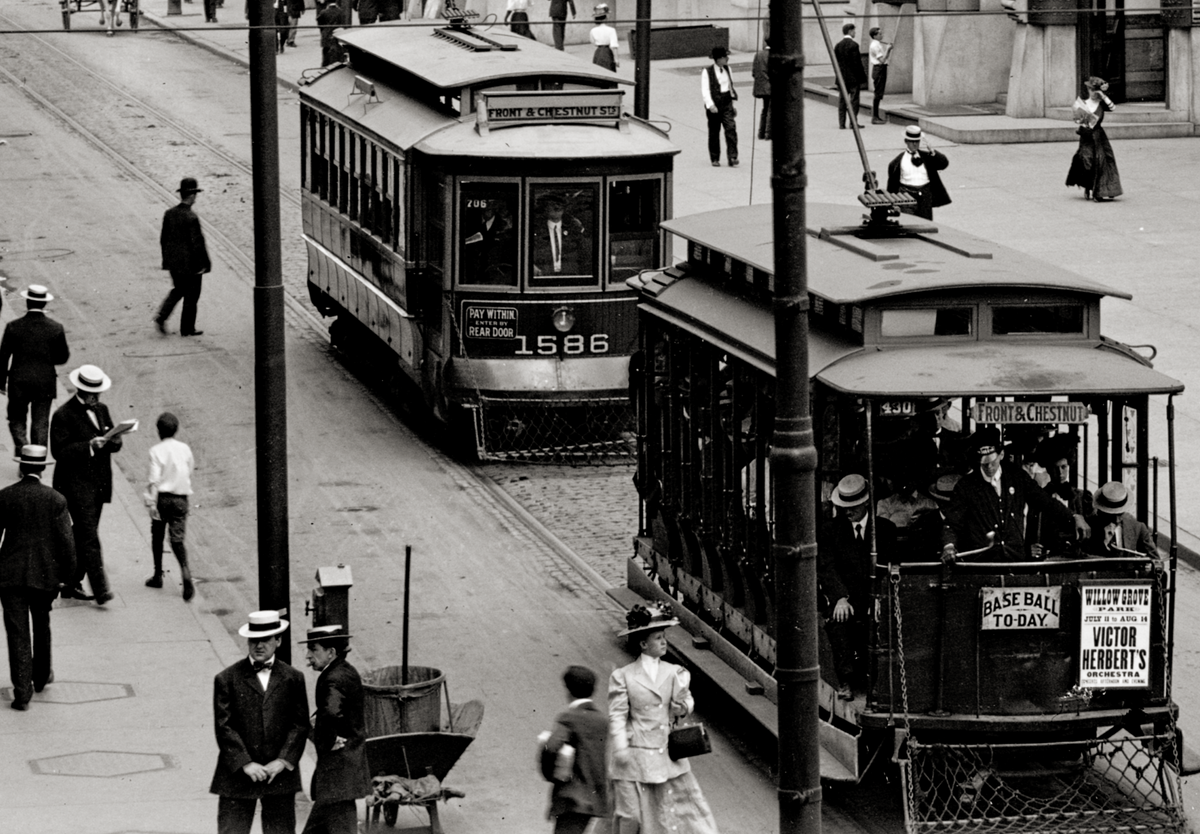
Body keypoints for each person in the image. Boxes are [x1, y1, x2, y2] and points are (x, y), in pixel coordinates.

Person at [609, 602, 719, 834]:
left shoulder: (674, 673)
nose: (663, 642)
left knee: (682, 814)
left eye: (664, 636)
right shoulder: (624, 676)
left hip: (667, 756)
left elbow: (687, 701)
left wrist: (683, 708)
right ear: (643, 644)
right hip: (636, 756)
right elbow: (617, 715)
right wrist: (620, 747)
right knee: (632, 817)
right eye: (658, 637)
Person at [211, 611, 311, 834]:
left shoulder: (293, 678)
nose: (259, 646)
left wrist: (284, 760)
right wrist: (245, 763)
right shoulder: (227, 678)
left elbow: (300, 724)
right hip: (237, 775)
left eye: (265, 640)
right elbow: (224, 726)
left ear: (278, 640)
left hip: (279, 776)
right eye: (254, 640)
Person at [941, 427, 1089, 563]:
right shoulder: (965, 486)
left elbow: (1045, 502)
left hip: (1015, 561)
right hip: (982, 564)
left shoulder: (1017, 477)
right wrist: (949, 546)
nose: (989, 467)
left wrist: (1073, 517)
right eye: (984, 463)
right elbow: (952, 523)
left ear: (1001, 454)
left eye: (992, 461)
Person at [0, 445, 75, 711]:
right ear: (43, 468)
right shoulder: (56, 499)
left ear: (21, 467)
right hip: (45, 574)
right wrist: (68, 576)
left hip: (10, 574)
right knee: (41, 625)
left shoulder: (5, 496)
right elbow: (67, 542)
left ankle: (22, 692)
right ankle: (41, 676)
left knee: (17, 632)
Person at [818, 474, 897, 699]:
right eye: (844, 507)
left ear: (865, 504)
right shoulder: (831, 530)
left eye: (852, 506)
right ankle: (846, 680)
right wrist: (840, 598)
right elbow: (827, 567)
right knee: (839, 621)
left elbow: (890, 567)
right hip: (848, 598)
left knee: (883, 623)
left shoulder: (885, 530)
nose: (847, 511)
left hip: (875, 597)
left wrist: (881, 598)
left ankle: (878, 682)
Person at [50, 365, 123, 606]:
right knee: (89, 536)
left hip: (99, 484)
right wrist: (90, 446)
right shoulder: (63, 415)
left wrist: (115, 440)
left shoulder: (102, 409)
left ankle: (69, 582)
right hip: (75, 486)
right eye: (94, 394)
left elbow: (112, 439)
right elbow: (60, 451)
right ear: (83, 391)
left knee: (82, 535)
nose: (97, 398)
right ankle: (101, 590)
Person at [300, 624, 372, 834]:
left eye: (314, 650)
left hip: (339, 771)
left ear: (331, 652)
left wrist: (327, 740)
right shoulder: (344, 671)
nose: (308, 656)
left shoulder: (333, 678)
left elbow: (331, 712)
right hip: (343, 771)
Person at [0, 284, 70, 452]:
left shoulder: (13, 327)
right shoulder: (55, 328)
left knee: (17, 419)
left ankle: (23, 449)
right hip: (44, 381)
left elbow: (3, 357)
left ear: (27, 302)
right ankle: (36, 460)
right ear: (44, 304)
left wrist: (1, 383)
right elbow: (62, 358)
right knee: (40, 422)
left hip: (19, 381)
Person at [541, 665, 609, 834]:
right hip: (594, 798)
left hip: (571, 797)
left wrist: (551, 774)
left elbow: (551, 747)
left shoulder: (569, 718)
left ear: (569, 691)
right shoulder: (603, 721)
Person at [143, 412, 195, 602]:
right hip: (181, 498)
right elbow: (188, 470)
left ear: (158, 431)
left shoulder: (156, 451)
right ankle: (185, 570)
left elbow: (153, 479)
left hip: (163, 499)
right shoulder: (185, 448)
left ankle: (158, 575)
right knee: (177, 539)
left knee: (157, 535)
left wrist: (151, 502)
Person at [157, 177, 212, 338]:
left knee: (178, 290)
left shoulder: (169, 214)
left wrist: (167, 259)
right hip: (191, 265)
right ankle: (187, 328)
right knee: (192, 296)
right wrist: (204, 264)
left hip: (174, 263)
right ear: (193, 196)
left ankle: (162, 316)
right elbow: (197, 244)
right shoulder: (191, 217)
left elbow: (163, 239)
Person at [1066, 76, 1123, 202]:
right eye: (1091, 90)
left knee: (1102, 162)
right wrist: (1081, 121)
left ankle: (1100, 191)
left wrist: (1103, 96)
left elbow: (1113, 108)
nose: (1092, 93)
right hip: (1086, 136)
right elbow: (1077, 119)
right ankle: (1088, 186)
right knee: (1087, 161)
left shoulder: (1101, 104)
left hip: (1098, 136)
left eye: (1095, 90)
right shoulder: (1084, 104)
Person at [886, 126, 951, 221]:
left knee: (925, 224)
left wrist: (932, 151)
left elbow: (943, 164)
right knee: (908, 223)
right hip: (906, 195)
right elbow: (892, 183)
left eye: (917, 141)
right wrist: (892, 202)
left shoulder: (926, 157)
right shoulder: (898, 161)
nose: (915, 144)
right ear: (906, 141)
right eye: (912, 141)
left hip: (925, 195)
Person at [1084, 482, 1155, 558]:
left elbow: (1156, 560)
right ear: (1101, 510)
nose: (1116, 519)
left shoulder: (1138, 528)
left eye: (1119, 513)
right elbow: (1081, 557)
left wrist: (1147, 565)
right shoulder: (1088, 526)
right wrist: (1104, 542)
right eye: (1111, 514)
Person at [701, 46, 739, 168]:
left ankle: (732, 156)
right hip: (715, 104)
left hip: (727, 103)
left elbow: (730, 87)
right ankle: (715, 157)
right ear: (718, 59)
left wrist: (732, 105)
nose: (727, 59)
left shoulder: (728, 69)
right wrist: (711, 105)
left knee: (731, 129)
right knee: (714, 132)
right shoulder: (707, 72)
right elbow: (705, 90)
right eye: (725, 57)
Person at [462, 199, 516, 285]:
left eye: (489, 209)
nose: (486, 212)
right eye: (484, 210)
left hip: (495, 270)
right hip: (472, 268)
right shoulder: (470, 221)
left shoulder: (503, 225)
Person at [532, 195, 588, 277]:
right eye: (552, 204)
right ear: (545, 207)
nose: (557, 206)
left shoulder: (574, 229)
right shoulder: (534, 230)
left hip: (571, 279)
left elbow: (584, 257)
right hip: (542, 278)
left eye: (560, 204)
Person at [834, 23, 867, 130]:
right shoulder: (854, 45)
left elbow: (836, 63)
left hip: (842, 78)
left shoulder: (838, 45)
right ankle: (853, 123)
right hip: (853, 78)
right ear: (850, 31)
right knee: (854, 101)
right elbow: (857, 64)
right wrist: (862, 78)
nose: (855, 33)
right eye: (854, 31)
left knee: (842, 101)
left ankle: (841, 124)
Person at [868, 27, 894, 125]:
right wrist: (888, 50)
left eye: (881, 33)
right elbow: (882, 60)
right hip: (879, 69)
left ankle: (876, 116)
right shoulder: (875, 46)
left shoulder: (877, 44)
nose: (882, 35)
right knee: (878, 93)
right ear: (874, 36)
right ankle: (875, 117)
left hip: (880, 69)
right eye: (879, 34)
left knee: (879, 93)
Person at [589, 4, 619, 71]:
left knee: (598, 71)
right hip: (607, 52)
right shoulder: (611, 30)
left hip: (598, 52)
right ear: (606, 18)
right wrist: (616, 59)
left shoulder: (593, 30)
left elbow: (593, 42)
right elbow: (614, 46)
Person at [751, 36, 771, 141]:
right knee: (771, 110)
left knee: (765, 109)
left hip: (761, 87)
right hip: (771, 87)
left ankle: (761, 132)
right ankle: (768, 133)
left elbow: (754, 72)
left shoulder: (758, 55)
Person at [318, 0, 348, 67]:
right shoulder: (340, 11)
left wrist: (323, 31)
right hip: (337, 34)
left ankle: (325, 66)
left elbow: (320, 24)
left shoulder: (323, 12)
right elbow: (343, 23)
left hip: (326, 34)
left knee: (326, 52)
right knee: (338, 52)